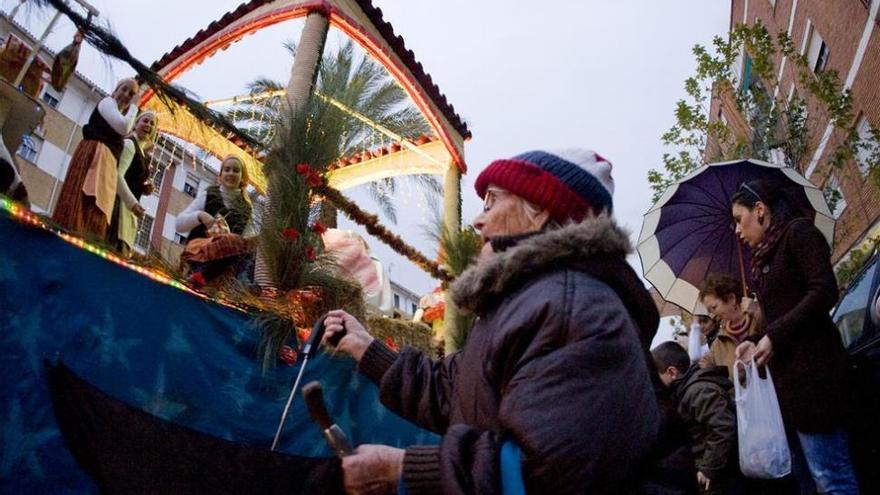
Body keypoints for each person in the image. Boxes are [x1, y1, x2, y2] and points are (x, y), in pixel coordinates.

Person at [320, 149, 671, 494]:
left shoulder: (567, 305)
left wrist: (403, 469)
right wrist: (366, 348)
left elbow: (552, 472)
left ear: (540, 212)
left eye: (491, 200)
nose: (478, 219)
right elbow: (454, 392)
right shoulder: (531, 299)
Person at [732, 180, 859, 494]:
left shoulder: (799, 234)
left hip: (817, 382)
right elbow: (780, 316)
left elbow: (824, 290)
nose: (737, 230)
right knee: (807, 482)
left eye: (738, 219)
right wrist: (754, 337)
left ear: (760, 210)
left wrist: (773, 336)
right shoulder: (762, 260)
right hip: (788, 395)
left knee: (831, 478)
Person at [52, 78, 138, 239]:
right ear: (115, 90)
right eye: (124, 89)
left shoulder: (116, 112)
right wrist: (135, 106)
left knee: (95, 212)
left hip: (106, 164)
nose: (126, 95)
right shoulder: (107, 102)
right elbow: (124, 127)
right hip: (95, 156)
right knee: (83, 205)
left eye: (131, 94)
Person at [653, 342, 738, 495]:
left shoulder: (698, 391)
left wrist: (708, 469)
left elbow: (723, 428)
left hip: (720, 477)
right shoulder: (685, 391)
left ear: (672, 372)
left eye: (657, 376)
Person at [175, 154, 255, 283]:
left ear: (242, 177)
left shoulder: (246, 208)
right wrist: (200, 216)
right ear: (220, 175)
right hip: (199, 253)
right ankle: (199, 275)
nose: (231, 173)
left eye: (236, 170)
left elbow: (246, 240)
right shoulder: (209, 195)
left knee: (242, 246)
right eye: (227, 169)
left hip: (224, 267)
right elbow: (179, 225)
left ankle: (243, 283)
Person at [698, 273, 764, 380]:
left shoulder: (758, 320)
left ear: (731, 298)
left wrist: (758, 313)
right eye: (709, 311)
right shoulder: (718, 344)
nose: (712, 316)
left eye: (714, 307)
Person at [109, 111, 157, 256]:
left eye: (152, 123)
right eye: (145, 120)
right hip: (119, 208)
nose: (148, 124)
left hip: (129, 211)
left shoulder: (142, 153)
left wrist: (143, 188)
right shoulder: (130, 144)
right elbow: (117, 175)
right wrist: (133, 204)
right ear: (135, 124)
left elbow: (131, 177)